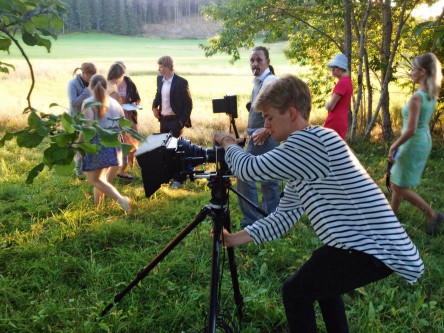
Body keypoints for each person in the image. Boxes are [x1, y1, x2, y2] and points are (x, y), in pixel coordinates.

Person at [213, 74, 424, 333]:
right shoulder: (310, 147)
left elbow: (248, 168)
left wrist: (226, 141)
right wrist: (235, 239)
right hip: (367, 247)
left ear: (291, 113)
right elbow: (284, 216)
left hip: (372, 248)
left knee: (295, 291)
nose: (265, 125)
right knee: (323, 281)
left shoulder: (309, 143)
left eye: (269, 117)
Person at [388, 53, 443, 235]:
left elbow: (410, 129)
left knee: (398, 185)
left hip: (413, 142)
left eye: (413, 69)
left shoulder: (417, 98)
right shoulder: (431, 95)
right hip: (423, 140)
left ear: (422, 72)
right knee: (399, 179)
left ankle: (432, 214)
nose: (410, 72)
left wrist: (393, 146)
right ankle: (391, 217)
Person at [236, 46, 280, 228]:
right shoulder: (259, 81)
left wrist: (265, 130)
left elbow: (279, 110)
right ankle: (272, 220)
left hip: (263, 136)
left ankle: (252, 221)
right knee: (269, 179)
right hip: (258, 135)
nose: (255, 63)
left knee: (244, 174)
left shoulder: (270, 81)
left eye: (259, 60)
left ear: (267, 62)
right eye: (252, 60)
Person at [79, 74, 131, 213]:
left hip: (98, 145)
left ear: (90, 86)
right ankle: (98, 208)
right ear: (105, 86)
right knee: (101, 179)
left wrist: (78, 144)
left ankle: (122, 200)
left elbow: (87, 127)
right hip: (114, 144)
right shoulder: (114, 102)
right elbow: (123, 126)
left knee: (94, 180)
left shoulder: (88, 102)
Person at [152, 55, 193, 188]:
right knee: (165, 149)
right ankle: (168, 175)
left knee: (174, 149)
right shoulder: (160, 80)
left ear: (168, 67)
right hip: (163, 120)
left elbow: (188, 104)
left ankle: (179, 178)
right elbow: (158, 95)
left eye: (161, 66)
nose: (159, 69)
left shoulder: (181, 82)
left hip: (176, 121)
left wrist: (181, 122)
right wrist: (154, 107)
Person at [107, 62, 136, 181]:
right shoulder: (113, 92)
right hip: (114, 126)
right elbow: (117, 115)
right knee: (131, 148)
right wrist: (124, 133)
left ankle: (117, 173)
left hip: (105, 124)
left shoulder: (104, 85)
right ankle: (119, 173)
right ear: (120, 76)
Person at [67, 62, 97, 177]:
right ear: (83, 73)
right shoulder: (72, 84)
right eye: (90, 76)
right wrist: (86, 92)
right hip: (76, 119)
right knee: (78, 145)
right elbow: (74, 103)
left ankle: (87, 169)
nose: (92, 79)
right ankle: (79, 171)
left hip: (89, 119)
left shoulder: (92, 83)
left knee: (87, 144)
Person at [324, 54, 353, 139]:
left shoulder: (342, 83)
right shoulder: (348, 81)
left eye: (335, 67)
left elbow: (330, 107)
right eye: (332, 67)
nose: (332, 69)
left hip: (335, 121)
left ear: (342, 68)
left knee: (326, 147)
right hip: (342, 120)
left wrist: (326, 103)